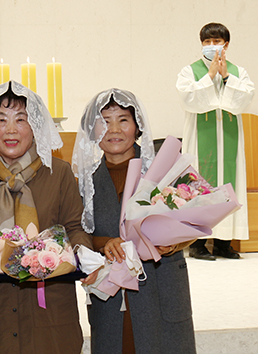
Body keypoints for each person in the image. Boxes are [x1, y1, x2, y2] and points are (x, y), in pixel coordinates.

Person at [0, 81, 95, 354]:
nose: (10, 130)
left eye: (21, 120)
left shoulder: (58, 174)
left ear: (35, 126)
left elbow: (75, 227)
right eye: (1, 119)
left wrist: (82, 255)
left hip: (49, 311)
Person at [72, 88, 196, 353]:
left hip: (161, 287)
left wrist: (173, 244)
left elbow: (194, 222)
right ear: (92, 131)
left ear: (137, 126)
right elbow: (76, 233)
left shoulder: (165, 170)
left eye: (123, 120)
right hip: (111, 294)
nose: (113, 129)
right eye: (104, 121)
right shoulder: (85, 184)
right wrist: (105, 243)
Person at [176, 22, 255, 260]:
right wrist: (210, 76)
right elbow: (189, 99)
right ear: (201, 44)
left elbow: (244, 99)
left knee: (229, 186)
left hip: (228, 138)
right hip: (201, 140)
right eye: (207, 42)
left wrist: (226, 76)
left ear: (226, 44)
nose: (212, 46)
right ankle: (198, 243)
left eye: (216, 41)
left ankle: (223, 243)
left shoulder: (238, 72)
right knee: (200, 184)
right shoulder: (189, 71)